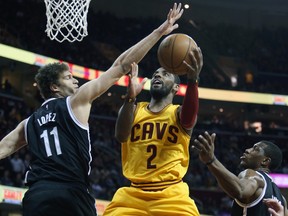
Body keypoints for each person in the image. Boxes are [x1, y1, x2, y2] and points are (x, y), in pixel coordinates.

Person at [0, 3, 184, 216]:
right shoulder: (75, 102)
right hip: (71, 192)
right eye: (69, 77)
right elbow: (122, 65)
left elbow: (3, 148)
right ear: (54, 87)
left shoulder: (28, 123)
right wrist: (159, 32)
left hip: (36, 195)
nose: (75, 80)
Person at [103, 45, 203, 215]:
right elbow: (121, 136)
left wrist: (193, 81)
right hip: (133, 194)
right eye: (156, 73)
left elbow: (189, 118)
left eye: (165, 74)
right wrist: (130, 97)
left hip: (171, 194)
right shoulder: (134, 109)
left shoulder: (178, 112)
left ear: (175, 88)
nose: (158, 75)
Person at [193, 131, 288, 216]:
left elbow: (240, 190)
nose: (247, 150)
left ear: (265, 161)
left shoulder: (254, 175)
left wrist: (211, 161)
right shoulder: (282, 199)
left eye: (255, 149)